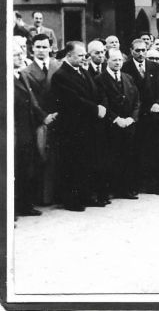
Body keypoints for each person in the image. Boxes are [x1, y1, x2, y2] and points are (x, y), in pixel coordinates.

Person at [51, 41, 108, 211]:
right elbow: (73, 100)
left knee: (85, 163)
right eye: (80, 55)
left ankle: (85, 196)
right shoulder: (61, 75)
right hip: (72, 128)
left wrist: (102, 105)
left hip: (87, 126)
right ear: (69, 55)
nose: (84, 58)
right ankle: (71, 200)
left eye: (85, 55)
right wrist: (96, 109)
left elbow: (95, 92)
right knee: (72, 164)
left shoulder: (83, 71)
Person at [122, 39, 159, 195]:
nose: (141, 53)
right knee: (135, 150)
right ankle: (135, 184)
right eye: (137, 50)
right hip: (135, 116)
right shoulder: (125, 68)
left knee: (156, 150)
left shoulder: (157, 67)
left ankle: (156, 184)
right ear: (131, 51)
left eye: (143, 50)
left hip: (154, 115)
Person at [14, 43, 54, 216]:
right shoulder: (9, 76)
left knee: (26, 167)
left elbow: (32, 100)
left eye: (21, 53)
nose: (20, 57)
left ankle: (25, 205)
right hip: (17, 128)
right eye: (15, 54)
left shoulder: (21, 74)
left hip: (28, 126)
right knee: (18, 168)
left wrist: (42, 116)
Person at [96, 48, 140, 201]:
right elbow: (102, 102)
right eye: (114, 60)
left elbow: (137, 100)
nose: (118, 63)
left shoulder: (128, 77)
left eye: (120, 60)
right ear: (107, 60)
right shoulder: (100, 79)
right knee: (110, 158)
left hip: (128, 124)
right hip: (110, 126)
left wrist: (132, 118)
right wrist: (116, 119)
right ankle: (110, 189)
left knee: (127, 157)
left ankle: (125, 189)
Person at [22, 34, 62, 205]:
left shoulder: (57, 66)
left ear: (50, 48)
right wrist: (44, 116)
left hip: (58, 116)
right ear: (32, 49)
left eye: (44, 47)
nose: (41, 50)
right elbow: (31, 99)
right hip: (40, 119)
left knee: (58, 156)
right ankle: (43, 197)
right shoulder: (26, 72)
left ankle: (57, 194)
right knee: (42, 155)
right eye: (38, 47)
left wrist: (58, 113)